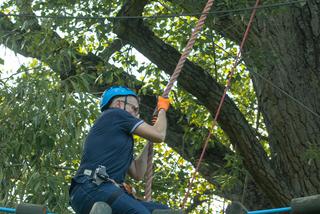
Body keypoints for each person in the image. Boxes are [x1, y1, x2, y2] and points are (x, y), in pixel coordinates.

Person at [69, 86, 171, 214]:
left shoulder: (118, 140)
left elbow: (138, 173)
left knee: (166, 212)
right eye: (134, 109)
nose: (136, 115)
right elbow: (160, 135)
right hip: (92, 187)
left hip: (102, 191)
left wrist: (149, 140)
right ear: (119, 104)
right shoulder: (115, 114)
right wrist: (162, 110)